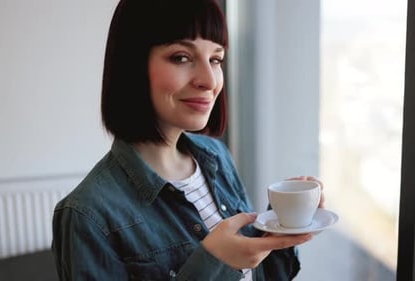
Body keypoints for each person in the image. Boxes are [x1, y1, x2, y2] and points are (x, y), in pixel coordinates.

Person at [52, 0, 324, 280]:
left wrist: (279, 224)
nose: (209, 80)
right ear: (133, 64)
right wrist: (213, 263)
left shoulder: (216, 155)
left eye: (216, 59)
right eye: (181, 57)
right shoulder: (87, 215)